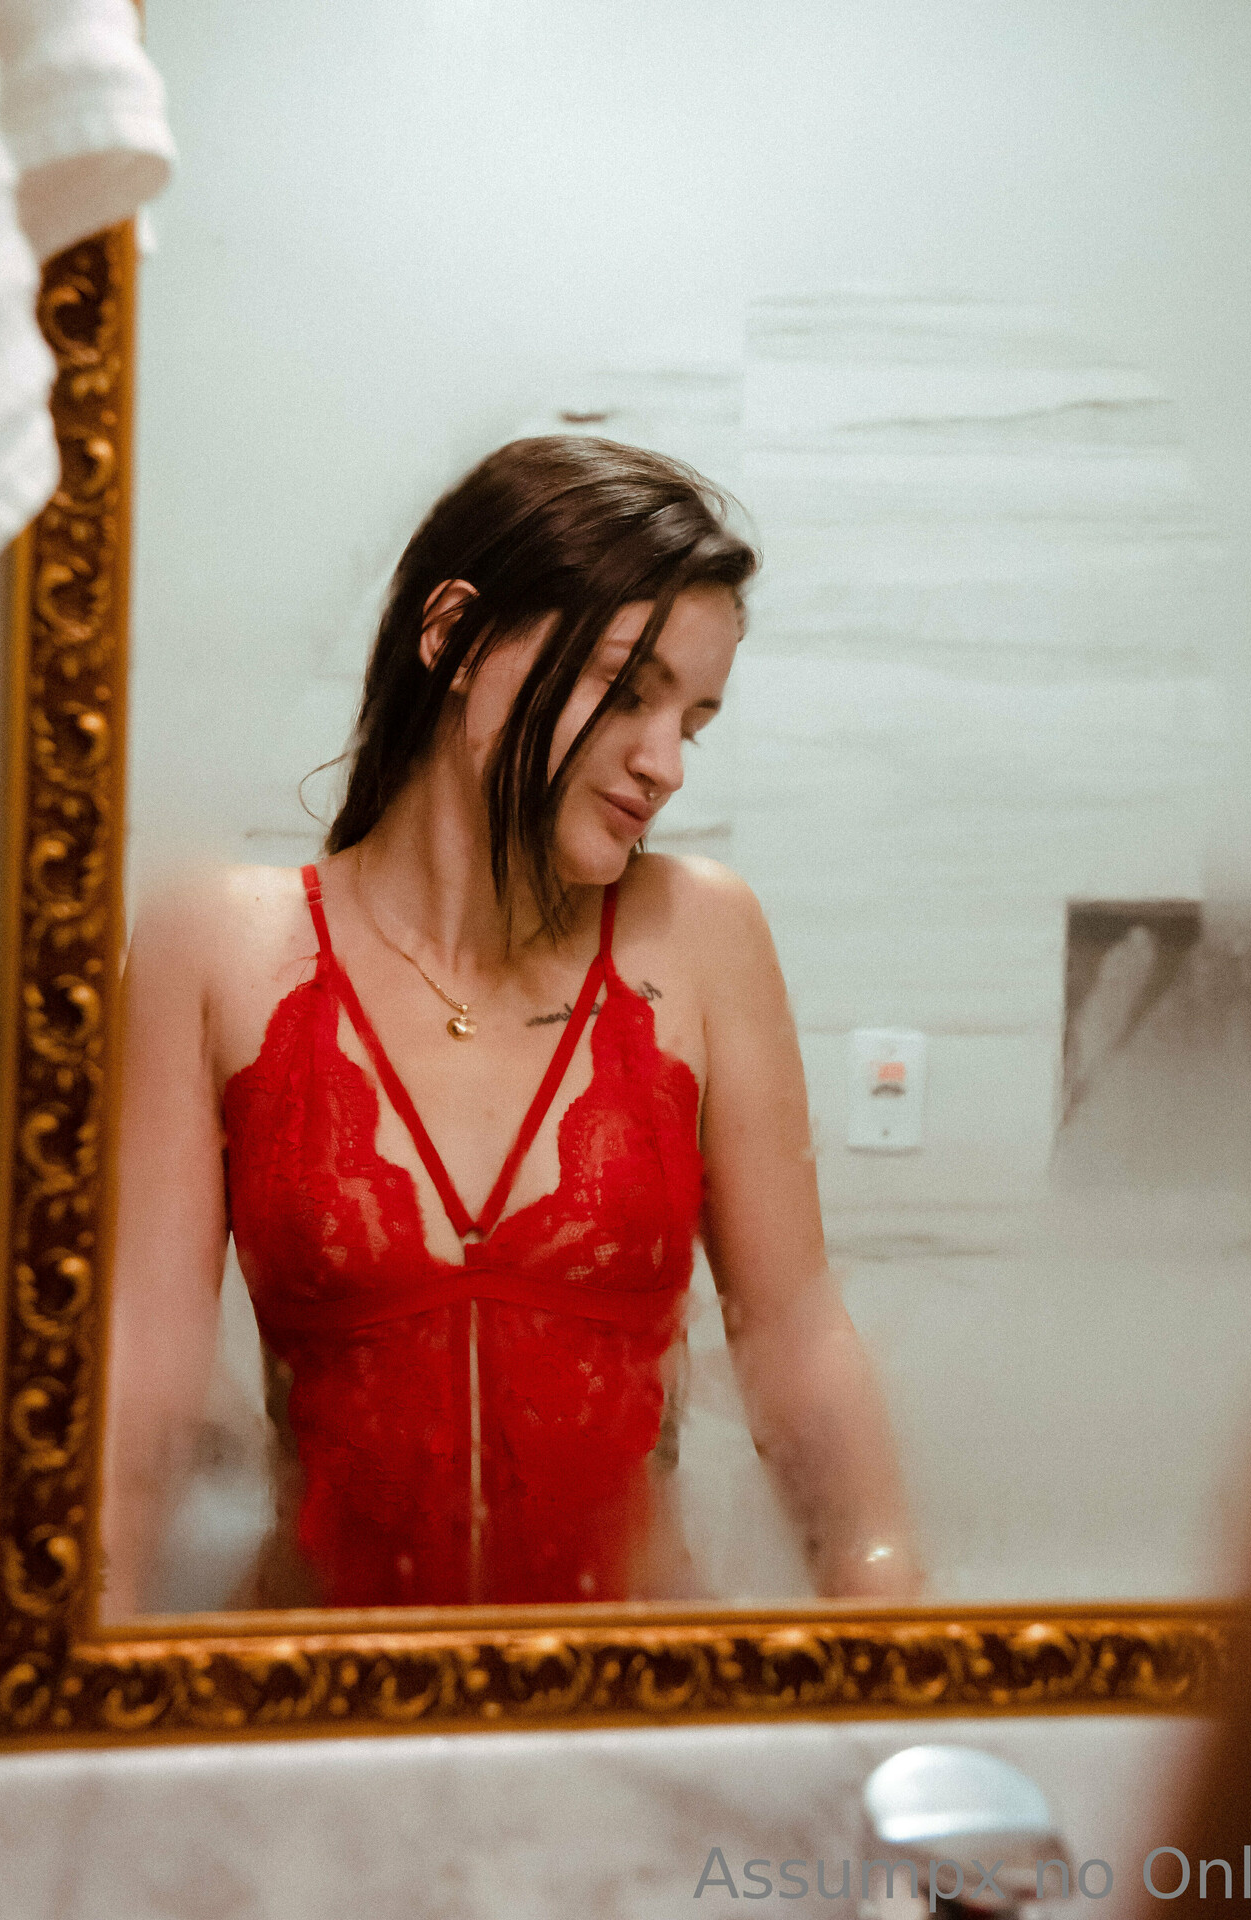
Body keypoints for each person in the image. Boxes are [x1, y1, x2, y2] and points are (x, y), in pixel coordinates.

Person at [102, 435, 923, 1614]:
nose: (665, 765)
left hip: (634, 1685)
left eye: (692, 721)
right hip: (320, 1692)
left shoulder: (700, 935)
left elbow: (792, 1337)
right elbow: (142, 1383)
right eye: (625, 689)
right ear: (453, 635)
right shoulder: (216, 945)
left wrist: (885, 1596)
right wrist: (70, 1657)